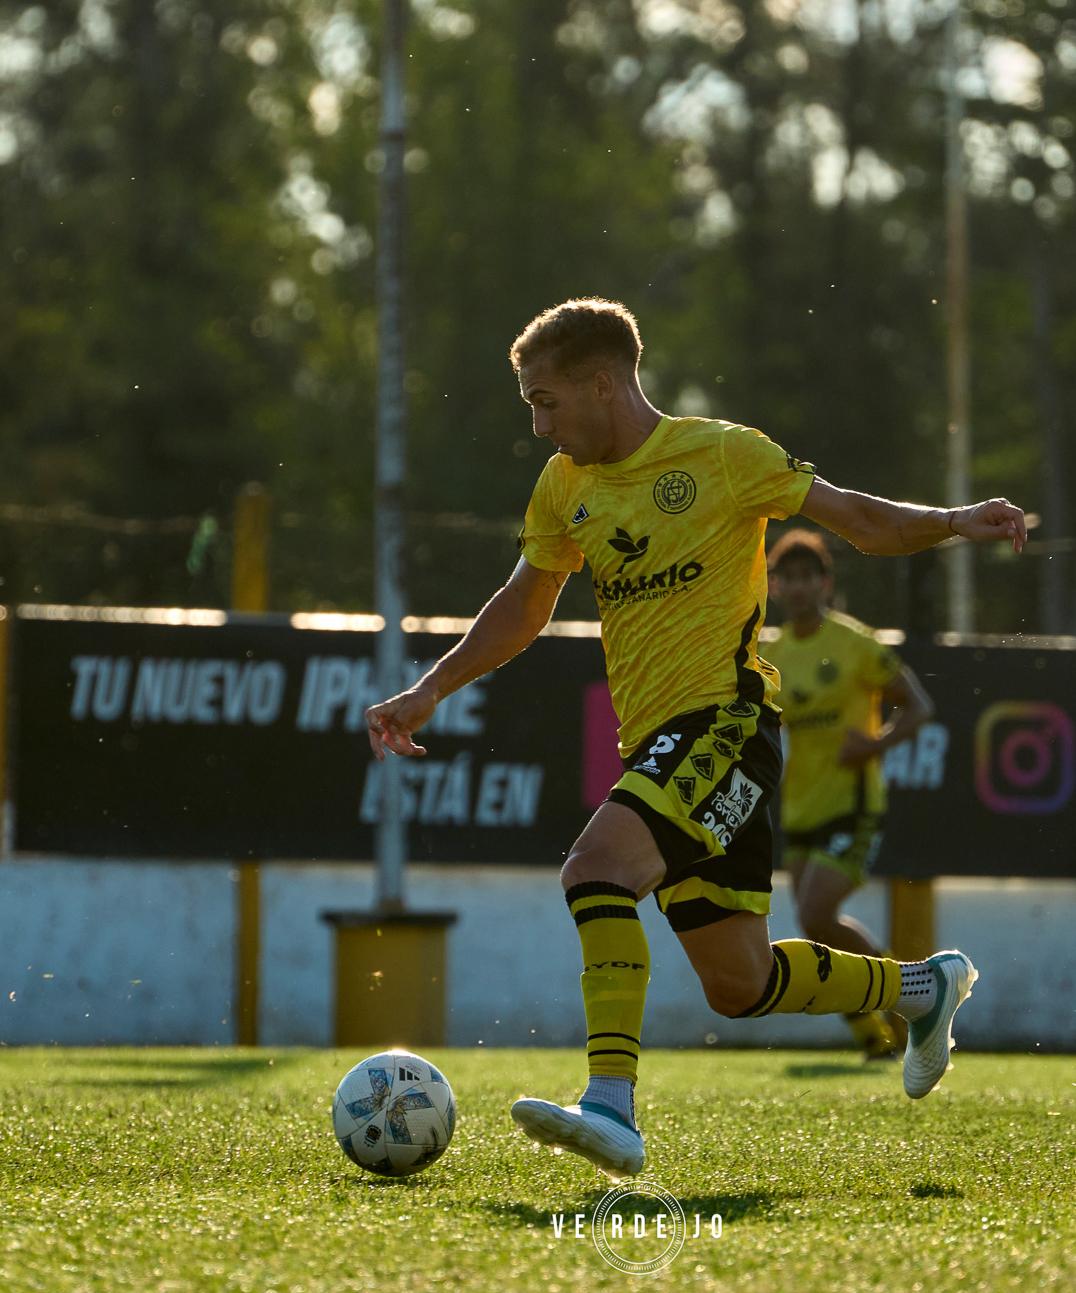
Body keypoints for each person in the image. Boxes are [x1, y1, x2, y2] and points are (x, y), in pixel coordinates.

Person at [366, 298, 1025, 1179]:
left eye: (548, 400)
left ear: (604, 384)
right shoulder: (567, 484)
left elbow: (859, 520)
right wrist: (430, 686)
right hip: (660, 746)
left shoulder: (723, 454)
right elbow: (525, 606)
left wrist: (951, 520)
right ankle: (923, 987)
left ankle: (610, 1104)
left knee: (595, 869)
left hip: (728, 723)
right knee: (739, 982)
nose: (537, 424)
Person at [767, 528, 933, 1060]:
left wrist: (876, 745)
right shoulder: (773, 656)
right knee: (816, 930)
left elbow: (919, 706)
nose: (798, 588)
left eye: (807, 577)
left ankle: (913, 997)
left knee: (816, 914)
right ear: (774, 587)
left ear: (826, 583)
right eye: (787, 578)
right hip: (799, 807)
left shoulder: (856, 642)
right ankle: (875, 1040)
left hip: (854, 804)